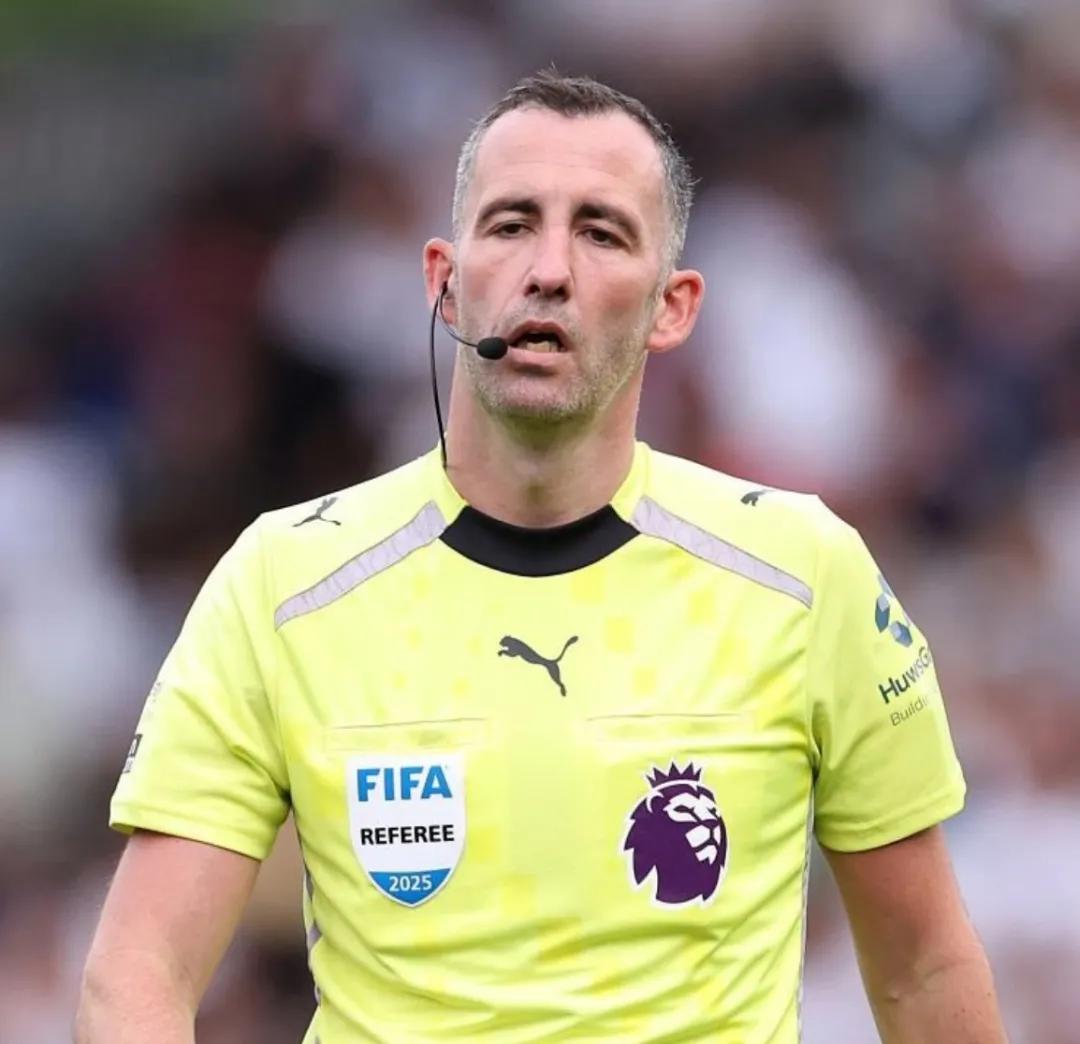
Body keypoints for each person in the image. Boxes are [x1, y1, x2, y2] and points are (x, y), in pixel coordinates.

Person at [77, 71, 1006, 1043]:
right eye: (512, 224)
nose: (549, 269)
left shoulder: (804, 573)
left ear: (673, 307)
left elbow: (924, 970)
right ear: (445, 282)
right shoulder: (284, 581)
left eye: (601, 233)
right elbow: (138, 972)